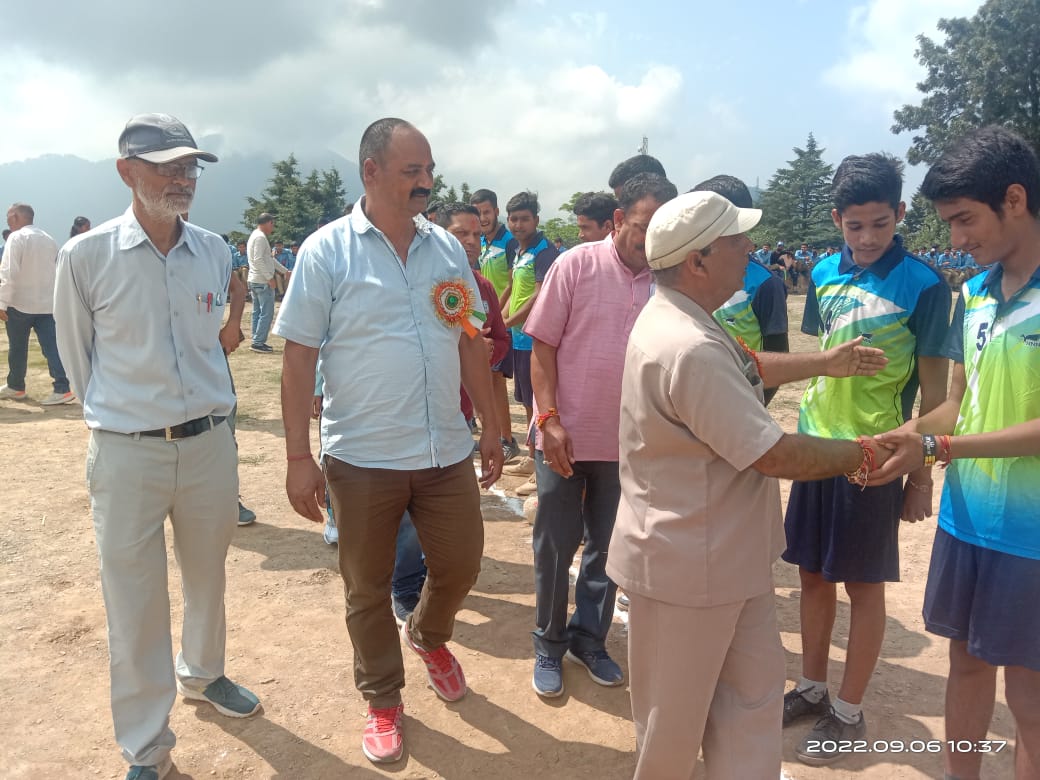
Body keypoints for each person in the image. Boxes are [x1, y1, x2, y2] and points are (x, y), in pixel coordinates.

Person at [607, 190, 891, 779]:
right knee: (672, 732)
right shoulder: (686, 345)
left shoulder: (686, 319)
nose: (751, 249)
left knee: (752, 707)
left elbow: (748, 367)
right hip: (685, 567)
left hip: (725, 559)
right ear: (700, 260)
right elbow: (775, 453)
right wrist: (866, 453)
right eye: (739, 240)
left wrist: (821, 362)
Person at [274, 117, 502, 764]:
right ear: (371, 172)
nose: (427, 183)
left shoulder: (446, 250)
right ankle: (382, 699)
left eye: (429, 170)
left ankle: (428, 633)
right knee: (367, 588)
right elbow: (297, 359)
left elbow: (468, 340)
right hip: (363, 459)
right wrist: (298, 457)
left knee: (460, 565)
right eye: (412, 172)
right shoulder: (326, 251)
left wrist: (488, 427)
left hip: (444, 452)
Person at [53, 112, 260, 780]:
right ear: (126, 171)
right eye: (167, 166)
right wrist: (122, 422)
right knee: (135, 600)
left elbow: (212, 347)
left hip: (207, 446)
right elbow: (77, 361)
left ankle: (204, 673)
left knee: (208, 575)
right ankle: (146, 747)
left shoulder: (212, 248)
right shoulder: (85, 257)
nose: (182, 179)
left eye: (190, 166)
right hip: (127, 451)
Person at [867, 125, 1040, 780]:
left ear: (1015, 199)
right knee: (965, 663)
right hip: (967, 520)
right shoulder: (972, 297)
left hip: (1031, 535)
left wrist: (941, 445)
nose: (955, 240)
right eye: (947, 223)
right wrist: (914, 437)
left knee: (1028, 694)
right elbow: (958, 403)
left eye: (965, 220)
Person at [781, 153, 951, 766]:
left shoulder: (926, 286)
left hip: (873, 458)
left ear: (900, 213)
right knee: (810, 575)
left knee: (863, 585)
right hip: (812, 447)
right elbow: (818, 356)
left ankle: (848, 713)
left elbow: (935, 396)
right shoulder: (824, 271)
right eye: (855, 226)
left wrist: (918, 474)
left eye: (881, 223)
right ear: (838, 221)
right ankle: (810, 686)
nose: (868, 237)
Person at [525, 172, 678, 698]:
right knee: (554, 545)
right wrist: (549, 421)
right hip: (563, 439)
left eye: (662, 232)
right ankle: (547, 643)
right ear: (618, 220)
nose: (650, 241)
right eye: (642, 228)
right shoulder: (576, 264)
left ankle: (590, 639)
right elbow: (542, 348)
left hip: (627, 448)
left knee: (609, 549)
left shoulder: (668, 283)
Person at [693, 175, 789, 405]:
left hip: (739, 406)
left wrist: (754, 408)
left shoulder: (766, 285)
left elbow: (778, 356)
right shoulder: (691, 270)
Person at [501, 191, 558, 496]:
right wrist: (497, 321)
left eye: (524, 219)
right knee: (525, 401)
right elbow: (512, 287)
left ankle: (541, 466)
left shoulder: (544, 251)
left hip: (536, 338)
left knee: (539, 404)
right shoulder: (518, 251)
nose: (518, 224)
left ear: (536, 220)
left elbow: (538, 295)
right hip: (518, 339)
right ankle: (530, 456)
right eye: (513, 219)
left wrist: (507, 323)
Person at [0, 202, 75, 404]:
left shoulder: (15, 238)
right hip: (47, 304)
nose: (7, 220)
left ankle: (17, 386)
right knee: (52, 346)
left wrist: (2, 302)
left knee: (18, 347)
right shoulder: (48, 239)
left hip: (19, 304)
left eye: (8, 216)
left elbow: (8, 272)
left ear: (15, 217)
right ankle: (63, 388)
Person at [471, 187, 521, 462]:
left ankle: (507, 439)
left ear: (496, 212)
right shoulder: (482, 242)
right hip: (486, 322)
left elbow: (512, 284)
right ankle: (496, 434)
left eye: (486, 212)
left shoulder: (510, 242)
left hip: (503, 323)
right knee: (486, 380)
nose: (483, 218)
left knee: (497, 382)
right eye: (478, 213)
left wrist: (498, 317)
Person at [246, 212, 288, 353]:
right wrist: (269, 278)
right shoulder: (260, 238)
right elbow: (258, 260)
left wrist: (285, 271)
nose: (273, 227)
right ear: (267, 223)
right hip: (261, 281)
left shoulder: (256, 236)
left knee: (257, 311)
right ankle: (258, 342)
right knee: (266, 313)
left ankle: (256, 339)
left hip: (255, 280)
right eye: (272, 224)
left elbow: (269, 259)